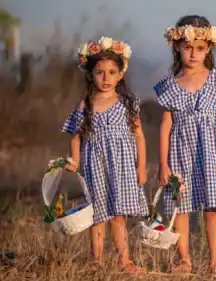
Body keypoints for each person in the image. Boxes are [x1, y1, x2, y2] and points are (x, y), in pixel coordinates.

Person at [154, 15, 216, 277]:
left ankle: (215, 261)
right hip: (180, 154)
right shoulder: (170, 86)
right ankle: (184, 260)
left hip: (211, 153)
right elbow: (165, 126)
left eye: (200, 48)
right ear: (177, 46)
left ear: (209, 48)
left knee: (213, 207)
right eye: (188, 47)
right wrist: (163, 164)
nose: (193, 53)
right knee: (182, 207)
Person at [61, 37, 149, 273]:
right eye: (100, 72)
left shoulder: (128, 104)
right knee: (97, 214)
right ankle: (96, 262)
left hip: (122, 166)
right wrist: (75, 160)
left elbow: (139, 136)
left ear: (121, 74)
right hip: (94, 165)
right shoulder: (85, 104)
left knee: (118, 215)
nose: (106, 78)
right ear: (90, 74)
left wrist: (141, 167)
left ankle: (125, 261)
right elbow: (76, 136)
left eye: (112, 72)